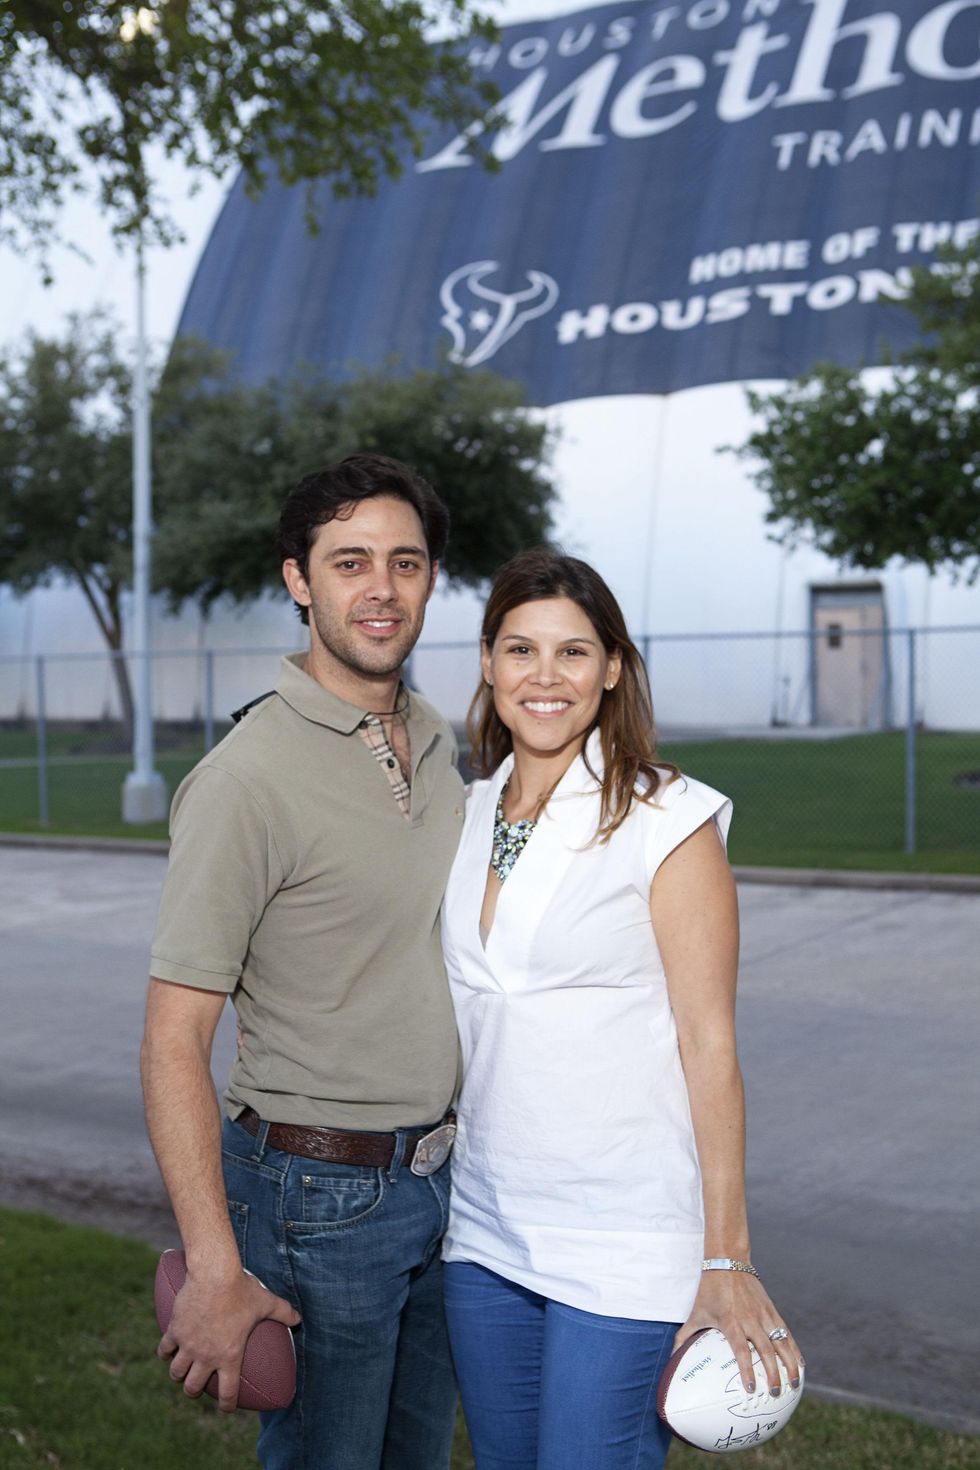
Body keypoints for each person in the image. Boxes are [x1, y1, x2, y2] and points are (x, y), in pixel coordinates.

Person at [440, 549, 803, 1470]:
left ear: (612, 667)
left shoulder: (666, 818)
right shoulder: (470, 810)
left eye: (573, 652)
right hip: (481, 1225)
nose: (545, 677)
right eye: (521, 650)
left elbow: (710, 1045)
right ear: (487, 662)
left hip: (624, 1236)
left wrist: (727, 1257)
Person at [140, 454, 466, 1470]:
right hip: (315, 1195)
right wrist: (212, 1266)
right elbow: (171, 1039)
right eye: (350, 562)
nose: (381, 589)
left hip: (445, 1182)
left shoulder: (442, 744)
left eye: (405, 563)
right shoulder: (243, 780)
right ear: (299, 581)